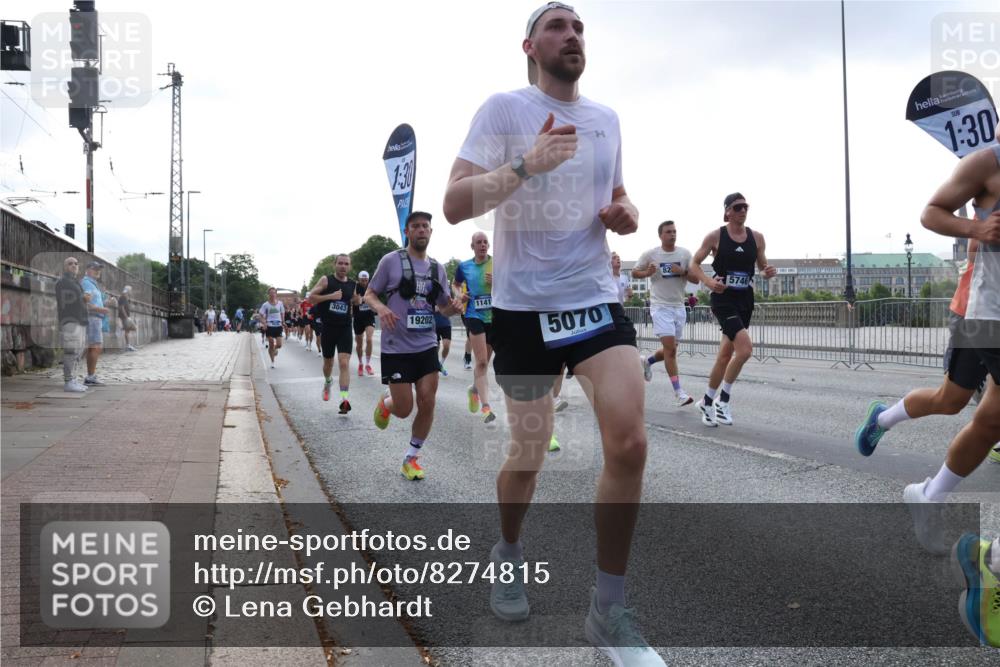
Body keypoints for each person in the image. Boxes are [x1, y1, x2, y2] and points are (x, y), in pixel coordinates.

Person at [443, 5, 664, 664]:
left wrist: (626, 212)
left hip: (594, 300)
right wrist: (526, 166)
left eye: (580, 28)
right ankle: (507, 551)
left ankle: (609, 609)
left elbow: (621, 194)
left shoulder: (607, 120)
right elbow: (455, 202)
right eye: (560, 25)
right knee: (528, 456)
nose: (574, 35)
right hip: (523, 311)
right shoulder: (504, 110)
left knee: (629, 439)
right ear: (530, 44)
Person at [888, 137, 1000, 559]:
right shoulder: (985, 164)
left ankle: (929, 495)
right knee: (951, 400)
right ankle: (993, 564)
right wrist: (977, 228)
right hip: (988, 313)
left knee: (988, 422)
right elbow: (931, 212)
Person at [855, 240, 993, 458]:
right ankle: (882, 419)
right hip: (976, 314)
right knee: (951, 400)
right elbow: (975, 251)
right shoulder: (991, 209)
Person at [365, 211, 462, 481]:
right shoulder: (391, 261)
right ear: (407, 232)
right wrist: (382, 308)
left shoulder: (437, 269)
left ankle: (411, 458)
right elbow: (369, 294)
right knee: (404, 408)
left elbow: (443, 307)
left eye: (425, 227)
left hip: (426, 344)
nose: (421, 230)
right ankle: (386, 403)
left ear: (431, 232)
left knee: (428, 401)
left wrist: (453, 309)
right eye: (416, 226)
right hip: (396, 346)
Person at [687, 193, 777, 427]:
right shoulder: (716, 236)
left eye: (745, 207)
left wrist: (767, 272)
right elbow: (693, 264)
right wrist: (708, 282)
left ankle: (706, 401)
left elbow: (762, 266)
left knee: (725, 356)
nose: (742, 211)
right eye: (737, 207)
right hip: (723, 298)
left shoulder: (757, 238)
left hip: (745, 299)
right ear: (727, 211)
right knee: (745, 350)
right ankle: (722, 400)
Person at [633, 220, 697, 406]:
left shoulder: (684, 254)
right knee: (671, 351)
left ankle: (647, 361)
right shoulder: (651, 254)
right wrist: (647, 272)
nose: (673, 234)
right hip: (660, 306)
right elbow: (634, 273)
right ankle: (679, 393)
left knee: (672, 349)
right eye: (669, 232)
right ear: (660, 235)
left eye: (675, 231)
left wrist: (682, 271)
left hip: (678, 306)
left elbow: (695, 276)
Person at [308, 254, 362, 414]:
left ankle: (344, 399)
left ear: (350, 266)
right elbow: (311, 298)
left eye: (346, 264)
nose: (343, 266)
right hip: (328, 328)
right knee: (328, 364)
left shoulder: (353, 284)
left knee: (344, 363)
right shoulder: (326, 280)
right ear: (335, 264)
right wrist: (330, 296)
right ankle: (328, 381)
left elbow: (353, 300)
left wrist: (357, 301)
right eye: (340, 263)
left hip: (345, 327)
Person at [454, 231, 497, 424]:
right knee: (480, 362)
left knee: (485, 362)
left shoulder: (498, 263)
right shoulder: (464, 266)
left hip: (494, 317)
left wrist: (498, 282)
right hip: (473, 315)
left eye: (485, 242)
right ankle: (486, 407)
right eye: (478, 242)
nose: (482, 245)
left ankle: (474, 388)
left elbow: (512, 286)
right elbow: (454, 285)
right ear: (472, 246)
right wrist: (458, 295)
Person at [55, 256, 88, 392]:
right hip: (70, 321)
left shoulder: (75, 281)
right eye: (70, 263)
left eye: (76, 263)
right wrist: (82, 298)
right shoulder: (63, 282)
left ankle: (73, 379)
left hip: (79, 321)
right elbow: (67, 300)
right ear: (65, 267)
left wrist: (83, 299)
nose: (74, 265)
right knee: (71, 351)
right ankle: (68, 381)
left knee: (78, 352)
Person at [80, 261, 110, 386]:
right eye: (95, 269)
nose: (98, 271)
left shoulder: (93, 283)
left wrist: (105, 302)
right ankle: (90, 377)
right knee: (95, 346)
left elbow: (93, 300)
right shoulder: (87, 282)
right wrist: (101, 309)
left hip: (96, 318)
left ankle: (90, 375)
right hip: (92, 318)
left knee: (95, 346)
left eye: (99, 269)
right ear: (87, 270)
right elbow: (85, 301)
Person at [353, 270, 376, 376]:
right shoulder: (355, 287)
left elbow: (375, 300)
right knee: (359, 343)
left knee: (370, 339)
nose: (364, 282)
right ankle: (361, 363)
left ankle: (368, 364)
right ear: (359, 279)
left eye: (366, 280)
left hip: (369, 317)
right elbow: (353, 300)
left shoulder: (372, 287)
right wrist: (357, 300)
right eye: (362, 280)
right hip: (358, 318)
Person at [259, 288, 285, 368]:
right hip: (269, 326)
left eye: (274, 293)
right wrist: (264, 323)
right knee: (270, 343)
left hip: (278, 326)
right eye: (271, 293)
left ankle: (274, 349)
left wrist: (283, 321)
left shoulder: (280, 303)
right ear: (268, 294)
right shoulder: (265, 305)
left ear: (276, 294)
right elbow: (260, 315)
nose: (272, 294)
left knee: (279, 345)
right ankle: (272, 362)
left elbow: (282, 313)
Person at [119, 285, 137, 351]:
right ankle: (127, 346)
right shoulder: (123, 297)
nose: (131, 292)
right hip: (124, 317)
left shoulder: (125, 297)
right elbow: (121, 307)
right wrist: (126, 317)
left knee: (128, 330)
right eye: (130, 290)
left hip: (125, 316)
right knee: (128, 330)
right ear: (128, 290)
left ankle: (128, 345)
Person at [435, 311, 452, 376]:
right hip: (433, 324)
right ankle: (435, 364)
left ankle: (440, 364)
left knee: (446, 346)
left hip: (446, 324)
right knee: (435, 346)